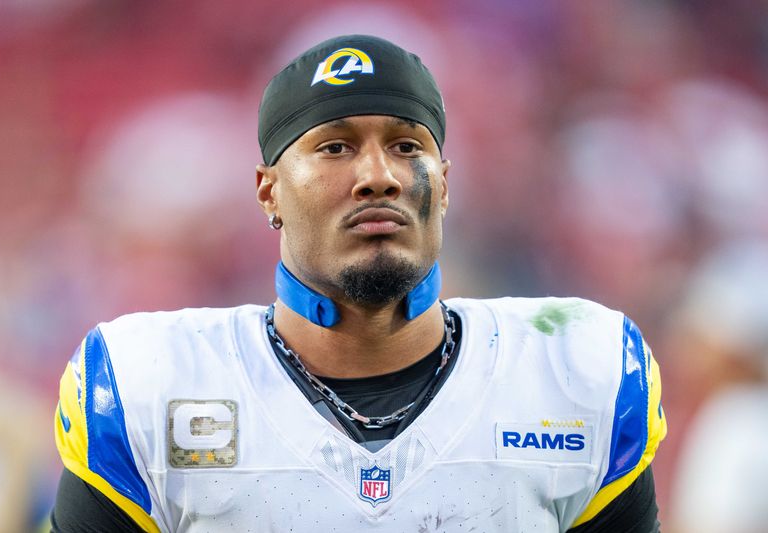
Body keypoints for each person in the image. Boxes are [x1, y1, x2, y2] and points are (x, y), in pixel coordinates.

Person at [50, 34, 667, 532]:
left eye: (406, 146)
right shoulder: (152, 385)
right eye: (335, 147)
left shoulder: (571, 372)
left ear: (444, 186)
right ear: (269, 192)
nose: (378, 175)